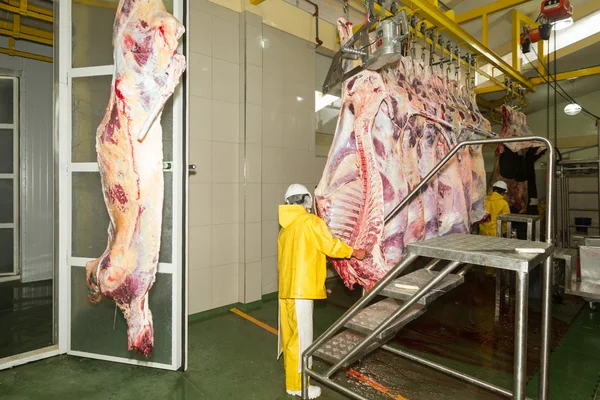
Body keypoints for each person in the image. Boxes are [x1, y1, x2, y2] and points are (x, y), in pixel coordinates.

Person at [277, 184, 366, 399]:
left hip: (286, 291)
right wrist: (354, 252)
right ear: (307, 201)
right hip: (302, 293)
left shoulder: (285, 229)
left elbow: (293, 261)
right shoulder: (310, 222)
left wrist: (317, 281)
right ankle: (300, 387)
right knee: (302, 341)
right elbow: (330, 245)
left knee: (290, 339)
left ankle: (292, 382)